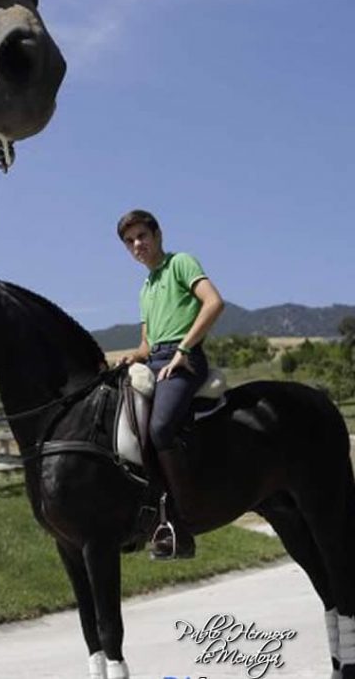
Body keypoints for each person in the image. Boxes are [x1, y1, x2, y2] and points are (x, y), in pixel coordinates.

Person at [116, 209, 224, 560]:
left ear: (157, 234)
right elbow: (148, 345)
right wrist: (134, 355)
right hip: (157, 361)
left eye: (141, 236)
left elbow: (213, 303)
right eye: (130, 241)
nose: (137, 245)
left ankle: (181, 523)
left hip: (185, 360)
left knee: (161, 428)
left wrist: (183, 350)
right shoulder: (145, 288)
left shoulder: (181, 263)